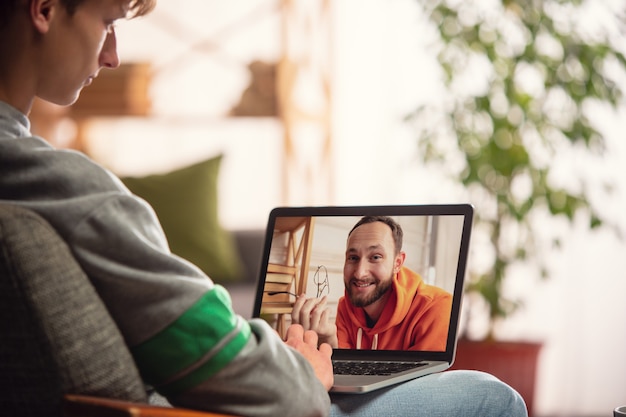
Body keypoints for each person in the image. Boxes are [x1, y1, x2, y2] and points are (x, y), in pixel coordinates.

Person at [0, 0, 528, 416]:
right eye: (108, 22)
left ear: (400, 260)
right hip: (200, 408)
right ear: (44, 9)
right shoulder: (73, 189)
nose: (112, 54)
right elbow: (231, 360)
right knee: (491, 397)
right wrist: (299, 369)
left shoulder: (22, 177)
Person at [293, 215, 452, 351]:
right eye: (353, 258)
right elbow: (344, 375)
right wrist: (327, 341)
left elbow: (422, 386)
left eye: (375, 257)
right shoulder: (346, 307)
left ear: (397, 263)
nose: (360, 273)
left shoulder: (437, 308)